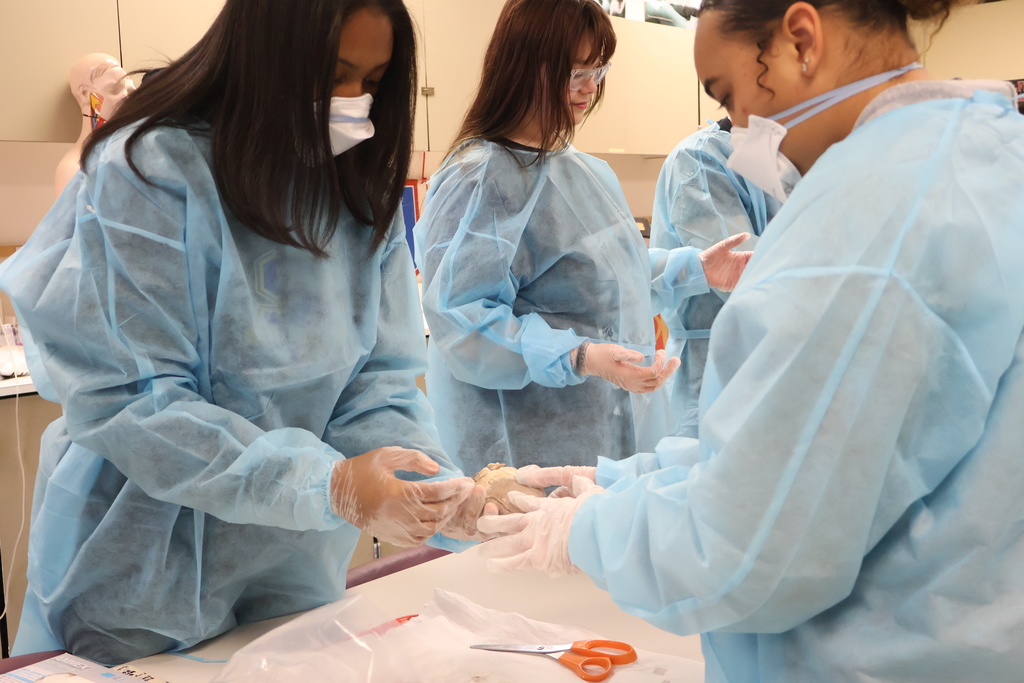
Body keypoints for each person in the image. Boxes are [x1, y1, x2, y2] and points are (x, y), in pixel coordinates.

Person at [479, 1, 1024, 681]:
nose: (737, 126)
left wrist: (588, 530)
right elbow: (835, 445)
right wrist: (626, 480)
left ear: (801, 39)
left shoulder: (865, 219)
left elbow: (747, 544)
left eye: (728, 93)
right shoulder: (986, 150)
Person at [0, 0, 482, 665]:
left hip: (293, 574)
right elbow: (138, 402)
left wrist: (437, 486)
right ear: (268, 57)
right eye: (334, 75)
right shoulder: (149, 171)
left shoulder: (353, 190)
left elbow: (376, 382)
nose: (352, 105)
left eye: (370, 83)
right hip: (140, 576)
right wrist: (328, 484)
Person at [414, 0, 749, 476]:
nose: (590, 88)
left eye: (599, 70)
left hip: (604, 454)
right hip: (521, 462)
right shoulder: (481, 180)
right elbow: (463, 325)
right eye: (576, 73)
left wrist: (693, 268)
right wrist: (577, 355)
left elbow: (598, 284)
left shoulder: (585, 171)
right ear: (526, 66)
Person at [651, 117, 781, 437]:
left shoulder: (783, 159)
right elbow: (754, 286)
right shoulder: (698, 161)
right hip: (709, 373)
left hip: (773, 369)